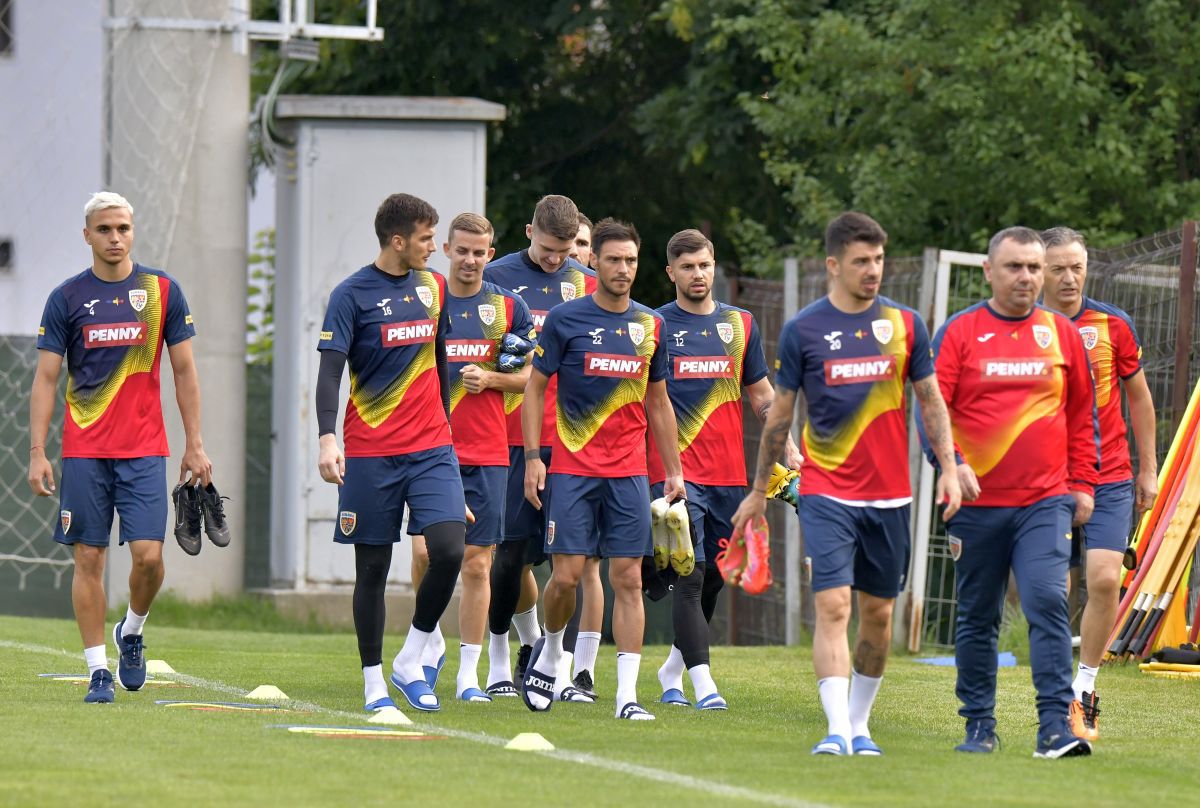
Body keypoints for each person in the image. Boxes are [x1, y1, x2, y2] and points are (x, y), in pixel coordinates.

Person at [731, 211, 961, 755]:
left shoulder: (905, 325)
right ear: (834, 265)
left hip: (891, 496)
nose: (873, 270)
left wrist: (950, 466)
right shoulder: (804, 329)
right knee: (833, 606)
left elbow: (930, 401)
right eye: (861, 261)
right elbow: (780, 417)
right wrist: (760, 491)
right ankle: (835, 729)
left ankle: (860, 724)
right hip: (826, 491)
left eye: (879, 259)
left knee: (878, 616)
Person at [28, 191, 215, 704]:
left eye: (123, 229)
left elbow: (184, 371)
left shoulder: (161, 291)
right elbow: (46, 380)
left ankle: (130, 631)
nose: (115, 238)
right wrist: (38, 451)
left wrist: (194, 444)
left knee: (149, 559)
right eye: (105, 229)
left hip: (144, 450)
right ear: (87, 235)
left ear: (133, 231)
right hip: (86, 452)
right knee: (88, 557)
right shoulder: (66, 298)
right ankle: (96, 670)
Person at [923, 226, 1099, 758]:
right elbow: (932, 411)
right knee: (978, 614)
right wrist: (951, 464)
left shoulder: (1061, 333)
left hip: (1044, 502)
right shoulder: (958, 332)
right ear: (989, 271)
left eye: (1033, 267)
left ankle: (1055, 727)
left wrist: (1084, 484)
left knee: (1047, 600)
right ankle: (979, 724)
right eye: (1015, 267)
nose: (1026, 277)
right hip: (974, 506)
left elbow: (1081, 416)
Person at [521, 217, 684, 719]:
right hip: (572, 470)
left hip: (629, 474)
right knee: (566, 578)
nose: (622, 269)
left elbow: (659, 403)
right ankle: (551, 652)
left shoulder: (649, 325)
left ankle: (627, 697)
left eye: (631, 260)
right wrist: (532, 459)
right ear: (595, 263)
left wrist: (673, 471)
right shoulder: (566, 320)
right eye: (613, 259)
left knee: (629, 580)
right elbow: (534, 388)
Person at [316, 192, 467, 714]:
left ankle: (412, 656)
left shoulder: (435, 287)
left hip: (431, 448)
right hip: (372, 452)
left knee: (449, 549)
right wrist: (327, 438)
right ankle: (373, 682)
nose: (434, 247)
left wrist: (447, 434)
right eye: (427, 238)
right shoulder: (350, 295)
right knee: (373, 570)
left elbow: (441, 361)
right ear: (398, 241)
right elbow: (330, 374)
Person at [648, 228, 802, 710]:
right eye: (688, 267)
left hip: (730, 475)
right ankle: (703, 684)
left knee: (717, 574)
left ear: (714, 267)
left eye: (705, 265)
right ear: (671, 272)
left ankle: (672, 667)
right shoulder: (653, 326)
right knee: (691, 575)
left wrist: (788, 446)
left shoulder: (740, 326)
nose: (698, 274)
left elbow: (761, 395)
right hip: (675, 473)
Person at [1041, 226, 1157, 740]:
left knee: (1106, 579)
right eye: (1057, 268)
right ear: (1037, 271)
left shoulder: (1112, 324)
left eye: (1077, 268)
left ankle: (1084, 690)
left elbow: (1139, 399)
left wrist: (1148, 468)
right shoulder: (1024, 327)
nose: (1069, 278)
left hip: (1109, 474)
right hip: (1047, 478)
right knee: (1048, 591)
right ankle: (1050, 689)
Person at [481, 195, 596, 698]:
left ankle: (558, 664)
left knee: (568, 562)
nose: (556, 259)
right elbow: (490, 355)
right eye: (549, 249)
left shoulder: (587, 285)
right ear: (529, 232)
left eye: (565, 250)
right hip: (511, 436)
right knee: (509, 556)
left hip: (573, 440)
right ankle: (500, 658)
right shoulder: (498, 278)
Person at [441, 212, 536, 701]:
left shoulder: (508, 309)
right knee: (429, 555)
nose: (471, 260)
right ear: (446, 250)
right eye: (462, 250)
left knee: (478, 564)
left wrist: (493, 378)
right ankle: (425, 641)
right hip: (431, 450)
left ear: (491, 255)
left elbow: (528, 378)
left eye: (480, 252)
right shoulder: (427, 303)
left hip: (489, 452)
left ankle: (468, 675)